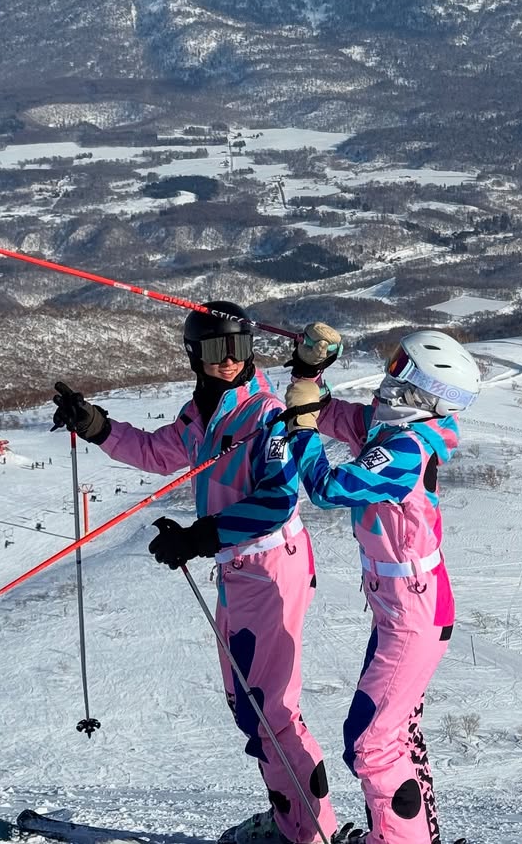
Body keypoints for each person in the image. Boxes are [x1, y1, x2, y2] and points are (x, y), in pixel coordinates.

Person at [54, 303, 340, 844]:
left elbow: (278, 500)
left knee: (271, 714)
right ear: (195, 356)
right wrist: (96, 426)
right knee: (247, 708)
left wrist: (200, 536)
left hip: (270, 568)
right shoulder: (199, 418)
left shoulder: (266, 416)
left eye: (237, 348)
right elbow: (155, 452)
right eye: (215, 351)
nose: (228, 361)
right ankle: (290, 818)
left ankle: (308, 832)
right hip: (236, 570)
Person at [284, 327, 481, 844]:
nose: (387, 380)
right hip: (402, 607)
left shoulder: (404, 454)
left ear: (424, 393)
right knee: (388, 736)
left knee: (372, 745)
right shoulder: (391, 429)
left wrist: (301, 431)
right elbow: (334, 413)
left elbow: (328, 489)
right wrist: (309, 372)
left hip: (413, 616)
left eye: (401, 370)